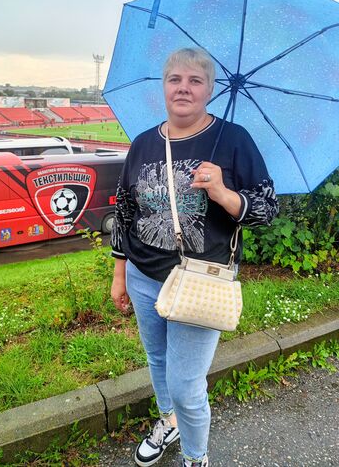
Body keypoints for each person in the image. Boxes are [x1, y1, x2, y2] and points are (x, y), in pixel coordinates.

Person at [110, 48, 279, 467]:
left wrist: (223, 193)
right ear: (164, 87)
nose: (183, 88)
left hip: (201, 280)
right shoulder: (144, 143)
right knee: (157, 359)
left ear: (210, 89)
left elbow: (267, 209)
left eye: (195, 80)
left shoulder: (234, 139)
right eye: (175, 79)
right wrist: (119, 273)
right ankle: (168, 422)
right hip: (143, 276)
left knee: (186, 385)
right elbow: (125, 211)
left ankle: (195, 456)